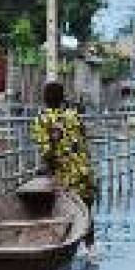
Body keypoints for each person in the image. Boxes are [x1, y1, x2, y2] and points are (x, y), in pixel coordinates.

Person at [30, 81, 95, 250]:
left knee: (59, 210)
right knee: (85, 211)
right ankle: (91, 248)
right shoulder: (73, 115)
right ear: (62, 98)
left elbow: (48, 152)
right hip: (83, 170)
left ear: (45, 98)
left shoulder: (43, 120)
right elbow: (83, 139)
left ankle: (58, 246)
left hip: (65, 176)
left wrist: (48, 173)